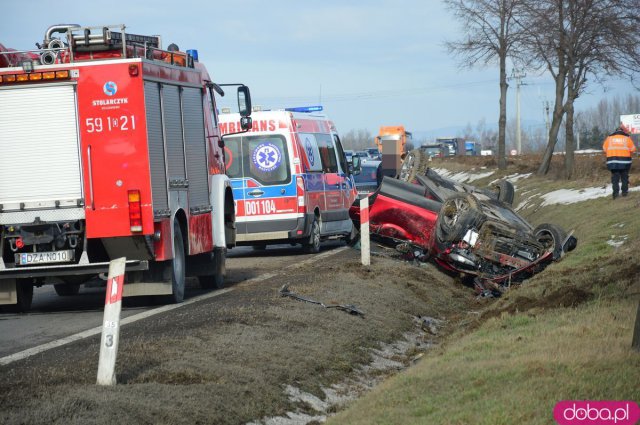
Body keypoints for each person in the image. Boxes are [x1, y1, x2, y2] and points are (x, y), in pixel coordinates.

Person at [602, 125, 636, 199]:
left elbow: (604, 149)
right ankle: (624, 193)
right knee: (624, 177)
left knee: (615, 178)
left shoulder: (609, 138)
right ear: (622, 131)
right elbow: (633, 149)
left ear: (615, 131)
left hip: (612, 162)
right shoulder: (627, 138)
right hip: (625, 162)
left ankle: (615, 194)